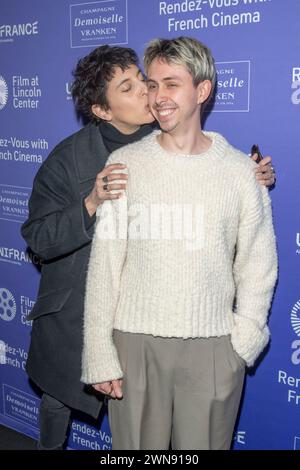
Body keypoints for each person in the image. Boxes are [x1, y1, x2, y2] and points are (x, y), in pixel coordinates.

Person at [22, 43, 274, 451]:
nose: (148, 93)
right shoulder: (78, 160)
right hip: (83, 316)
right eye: (133, 86)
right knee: (60, 406)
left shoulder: (181, 146)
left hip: (185, 329)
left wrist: (252, 172)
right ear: (103, 109)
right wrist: (91, 203)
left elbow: (208, 175)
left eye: (146, 80)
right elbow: (49, 241)